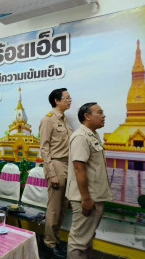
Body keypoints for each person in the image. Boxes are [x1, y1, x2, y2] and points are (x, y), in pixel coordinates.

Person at [66, 103, 112, 258]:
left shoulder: (92, 135)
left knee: (86, 239)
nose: (103, 115)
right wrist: (85, 198)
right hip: (86, 198)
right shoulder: (81, 137)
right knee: (79, 241)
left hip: (93, 196)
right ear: (87, 116)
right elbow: (79, 168)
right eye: (100, 112)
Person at [39, 88, 72, 258]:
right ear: (57, 101)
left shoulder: (65, 120)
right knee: (54, 208)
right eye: (66, 98)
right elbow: (44, 149)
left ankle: (56, 239)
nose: (70, 100)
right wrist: (51, 173)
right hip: (56, 165)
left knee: (63, 206)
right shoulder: (48, 120)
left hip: (68, 166)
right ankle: (48, 244)